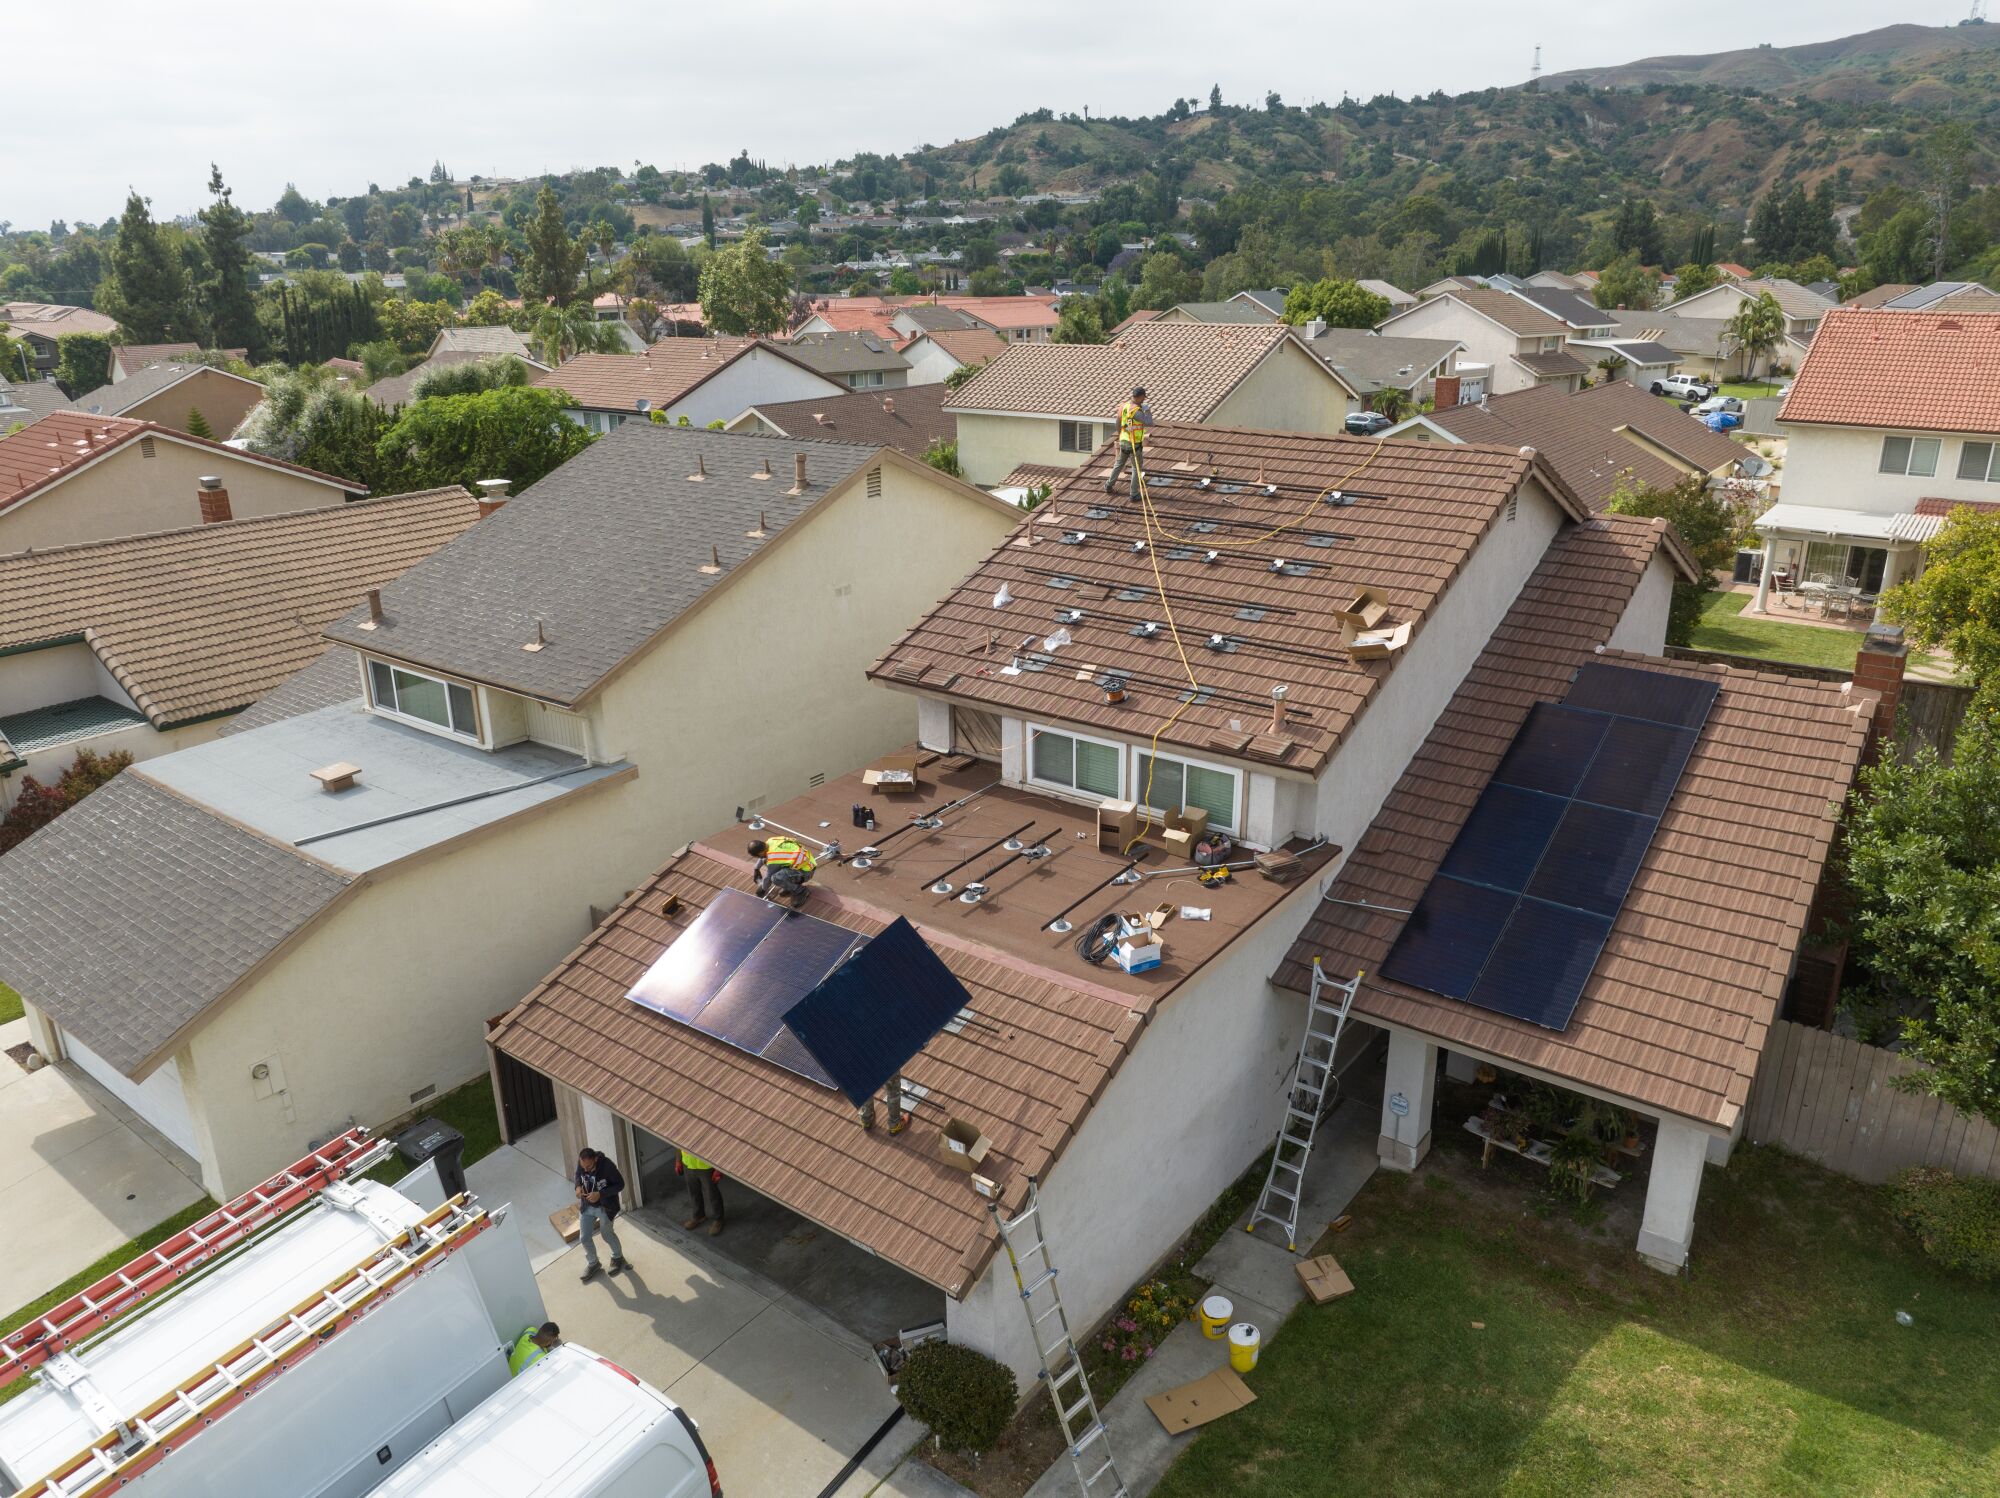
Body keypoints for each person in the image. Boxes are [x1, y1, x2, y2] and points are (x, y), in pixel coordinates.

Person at [574, 1146, 627, 1282]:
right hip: (587, 1207)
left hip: (605, 1207)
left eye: (588, 1166)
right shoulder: (582, 1163)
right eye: (583, 1166)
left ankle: (617, 1257)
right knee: (584, 1237)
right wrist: (578, 1187)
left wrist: (600, 1194)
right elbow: (578, 1176)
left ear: (596, 1159)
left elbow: (620, 1185)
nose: (585, 1169)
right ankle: (593, 1263)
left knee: (607, 1234)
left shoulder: (607, 1166)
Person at [1104, 385, 1153, 500]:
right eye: (1143, 398)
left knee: (1119, 464)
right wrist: (1147, 409)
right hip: (1134, 443)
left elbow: (1117, 422)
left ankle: (1108, 485)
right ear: (1140, 397)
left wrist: (1121, 434)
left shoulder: (1123, 406)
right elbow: (1149, 422)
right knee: (1136, 468)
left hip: (1123, 440)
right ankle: (1134, 493)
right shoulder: (1136, 411)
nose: (1144, 400)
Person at [749, 836, 816, 907]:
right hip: (807, 862)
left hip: (806, 872)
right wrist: (756, 869)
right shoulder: (771, 841)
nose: (759, 858)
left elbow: (768, 877)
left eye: (758, 856)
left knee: (776, 878)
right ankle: (790, 885)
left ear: (760, 852)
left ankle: (801, 891)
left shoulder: (774, 858)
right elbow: (763, 857)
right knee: (768, 861)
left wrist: (763, 889)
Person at [679, 1146, 725, 1236]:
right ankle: (698, 1216)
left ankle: (718, 1219)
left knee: (712, 1194)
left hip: (706, 1167)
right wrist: (678, 1160)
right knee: (693, 1192)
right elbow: (677, 1143)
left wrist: (719, 1169)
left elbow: (719, 1147)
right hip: (688, 1164)